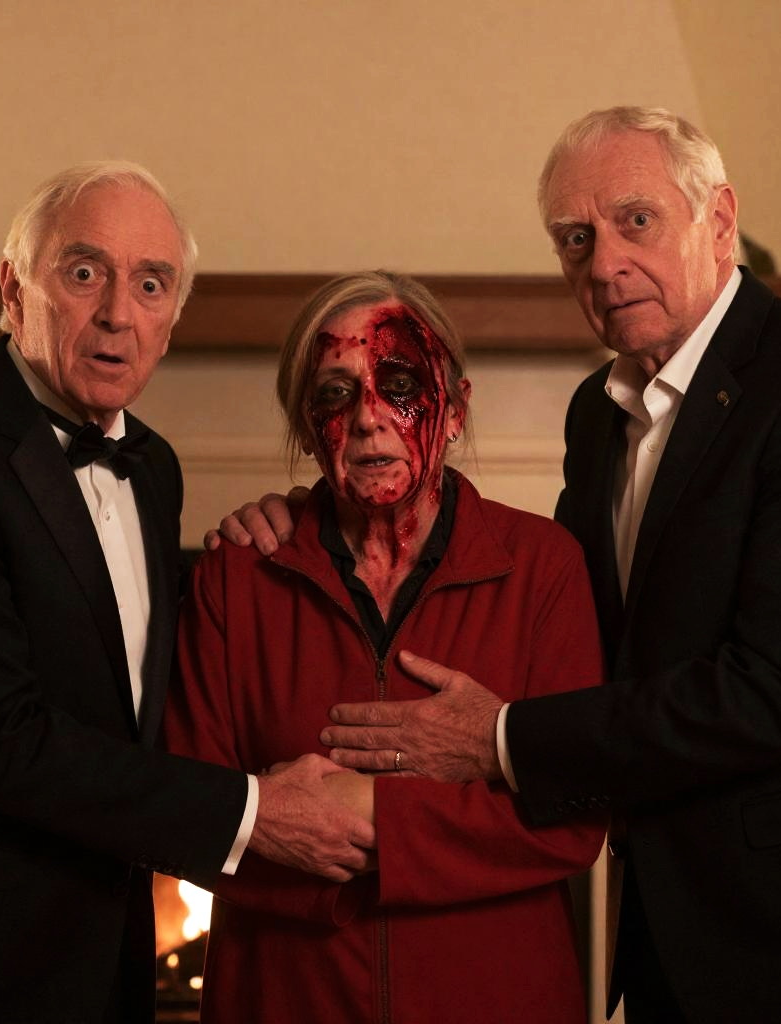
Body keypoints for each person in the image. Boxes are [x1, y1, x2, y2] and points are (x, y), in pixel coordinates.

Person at [214, 109, 781, 1023]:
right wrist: (309, 512)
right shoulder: (597, 414)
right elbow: (575, 626)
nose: (604, 264)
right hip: (663, 928)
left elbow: (778, 694)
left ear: (719, 220)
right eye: (575, 238)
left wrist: (496, 740)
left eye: (636, 220)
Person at [0, 161, 374, 1024]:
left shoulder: (152, 466)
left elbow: (117, 674)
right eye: (84, 272)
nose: (118, 313)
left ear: (172, 319)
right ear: (13, 289)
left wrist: (263, 551)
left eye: (151, 284)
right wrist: (253, 812)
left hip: (105, 954)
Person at [167, 270, 605, 1023]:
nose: (369, 417)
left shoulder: (545, 567)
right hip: (285, 1002)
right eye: (335, 394)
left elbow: (573, 817)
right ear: (308, 427)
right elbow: (183, 816)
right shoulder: (233, 580)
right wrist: (277, 824)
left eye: (400, 384)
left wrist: (370, 818)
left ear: (455, 408)